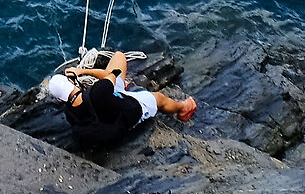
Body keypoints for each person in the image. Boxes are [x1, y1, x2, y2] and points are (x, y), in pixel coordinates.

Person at [44, 51, 194, 149]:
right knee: (158, 98)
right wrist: (82, 71)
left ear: (59, 99)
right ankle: (183, 108)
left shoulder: (70, 112)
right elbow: (111, 75)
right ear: (71, 82)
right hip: (129, 110)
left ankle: (122, 87)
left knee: (117, 58)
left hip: (107, 111)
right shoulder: (97, 92)